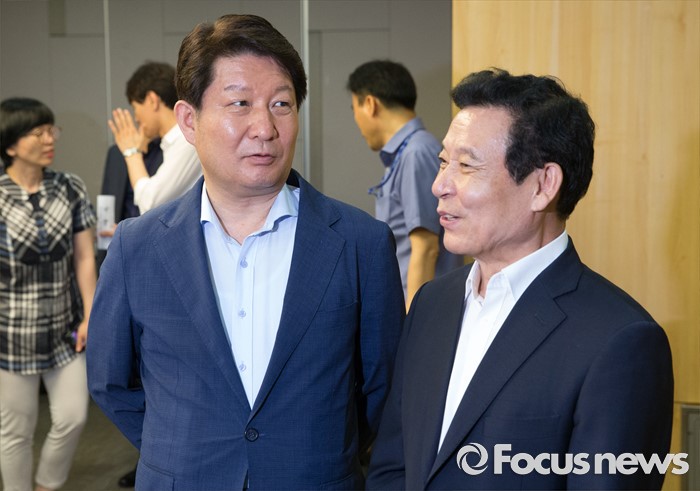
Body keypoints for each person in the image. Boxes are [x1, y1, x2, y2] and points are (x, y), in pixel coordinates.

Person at [87, 13, 405, 491]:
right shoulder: (138, 246)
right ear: (189, 120)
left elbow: (383, 388)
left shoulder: (361, 242)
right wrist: (178, 447)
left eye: (281, 104)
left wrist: (317, 450)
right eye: (239, 103)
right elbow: (111, 382)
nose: (265, 127)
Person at [366, 69, 674, 490]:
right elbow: (392, 466)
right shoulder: (431, 304)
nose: (440, 185)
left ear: (543, 186)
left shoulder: (620, 340)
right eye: (443, 162)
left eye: (466, 166)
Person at [0, 97, 97, 491]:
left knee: (73, 416)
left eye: (50, 130)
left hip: (64, 329)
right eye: (37, 133)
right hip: (10, 335)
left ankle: (47, 485)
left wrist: (91, 314)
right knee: (15, 432)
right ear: (10, 145)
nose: (49, 139)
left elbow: (84, 258)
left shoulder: (69, 186)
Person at [347, 60, 463, 308]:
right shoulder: (407, 152)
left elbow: (426, 248)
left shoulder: (416, 152)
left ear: (370, 104)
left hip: (421, 308)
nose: (356, 121)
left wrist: (413, 321)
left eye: (354, 108)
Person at [107, 61, 201, 214]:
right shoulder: (175, 142)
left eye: (135, 108)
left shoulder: (187, 140)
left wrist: (132, 153)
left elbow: (151, 204)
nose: (136, 118)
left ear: (152, 100)